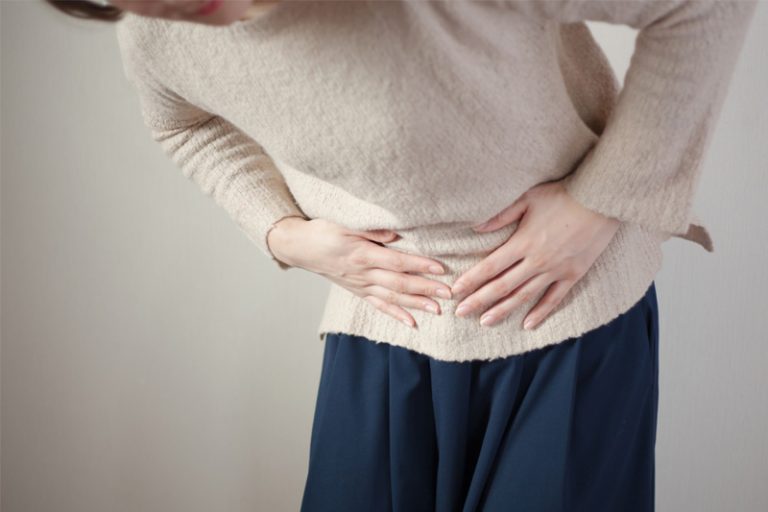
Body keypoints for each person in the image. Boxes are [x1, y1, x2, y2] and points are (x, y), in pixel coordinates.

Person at [45, 1, 757, 510]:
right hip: (384, 333)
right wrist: (283, 231)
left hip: (566, 319)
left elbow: (702, 8)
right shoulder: (154, 30)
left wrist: (600, 202)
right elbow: (184, 124)